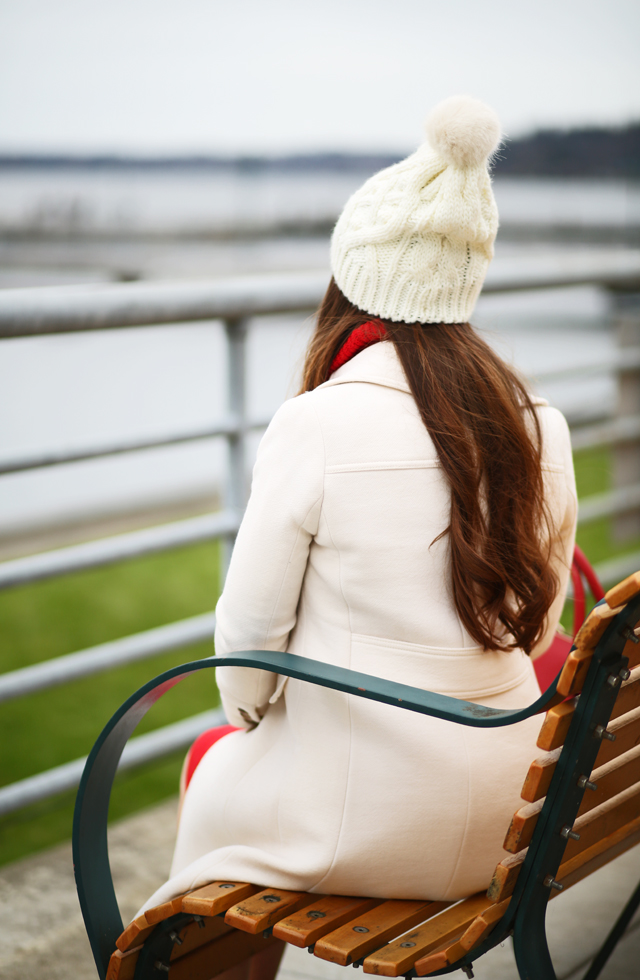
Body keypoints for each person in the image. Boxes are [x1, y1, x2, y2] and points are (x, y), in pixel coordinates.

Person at [141, 96, 577, 972]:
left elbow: (249, 647)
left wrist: (255, 720)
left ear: (349, 283)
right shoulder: (542, 425)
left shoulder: (316, 424)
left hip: (370, 816)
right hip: (512, 814)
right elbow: (543, 621)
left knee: (213, 769)